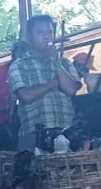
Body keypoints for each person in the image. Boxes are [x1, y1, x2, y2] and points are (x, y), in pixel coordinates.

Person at [8, 14, 80, 152]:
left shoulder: (65, 63)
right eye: (40, 32)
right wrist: (53, 84)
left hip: (66, 131)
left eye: (50, 32)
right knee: (36, 172)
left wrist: (57, 63)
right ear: (29, 37)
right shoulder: (19, 66)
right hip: (33, 134)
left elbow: (71, 90)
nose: (47, 36)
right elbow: (26, 96)